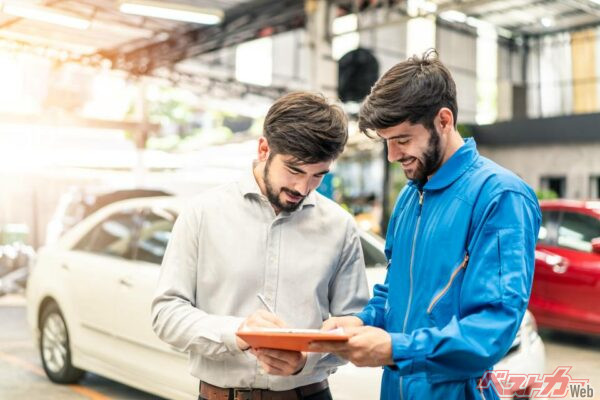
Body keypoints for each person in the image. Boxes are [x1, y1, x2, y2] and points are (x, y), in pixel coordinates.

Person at [310, 50, 541, 400]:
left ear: (444, 121)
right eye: (387, 142)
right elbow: (395, 292)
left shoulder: (500, 197)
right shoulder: (409, 197)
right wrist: (361, 322)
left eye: (402, 140)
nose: (392, 156)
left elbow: (491, 328)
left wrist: (397, 350)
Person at [151, 91, 369, 400]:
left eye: (317, 175)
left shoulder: (339, 227)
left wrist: (305, 361)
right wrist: (236, 333)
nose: (302, 187)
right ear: (263, 148)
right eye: (294, 169)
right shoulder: (202, 214)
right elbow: (166, 314)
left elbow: (353, 325)